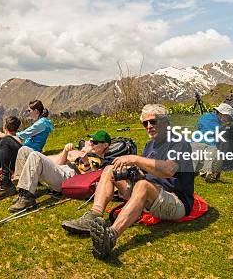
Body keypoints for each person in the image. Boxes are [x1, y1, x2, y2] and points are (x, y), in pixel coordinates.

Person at [62, 104, 194, 259]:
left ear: (165, 122)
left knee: (143, 185)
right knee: (110, 169)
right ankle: (93, 216)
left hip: (175, 200)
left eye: (153, 122)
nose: (149, 126)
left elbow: (168, 170)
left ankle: (111, 235)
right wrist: (129, 173)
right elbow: (145, 172)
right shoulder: (150, 144)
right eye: (145, 123)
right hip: (149, 195)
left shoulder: (179, 142)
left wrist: (136, 159)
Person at [8, 130, 112, 212]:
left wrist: (85, 162)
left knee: (35, 156)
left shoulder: (100, 161)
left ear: (105, 145)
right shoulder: (85, 152)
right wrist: (66, 151)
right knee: (24, 150)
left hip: (68, 178)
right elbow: (59, 164)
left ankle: (27, 197)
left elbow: (92, 180)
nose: (90, 143)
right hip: (60, 170)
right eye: (90, 140)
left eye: (94, 142)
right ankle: (23, 190)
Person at [0, 99, 54, 201]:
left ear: (36, 111)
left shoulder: (42, 123)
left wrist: (5, 135)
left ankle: (6, 183)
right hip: (27, 151)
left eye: (29, 111)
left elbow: (24, 134)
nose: (28, 112)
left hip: (29, 154)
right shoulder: (41, 122)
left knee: (5, 140)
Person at [192, 102, 233, 183]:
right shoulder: (210, 119)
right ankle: (207, 171)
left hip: (199, 144)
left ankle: (206, 172)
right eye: (227, 117)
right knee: (212, 154)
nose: (227, 119)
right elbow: (219, 132)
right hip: (201, 143)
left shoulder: (207, 117)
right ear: (220, 113)